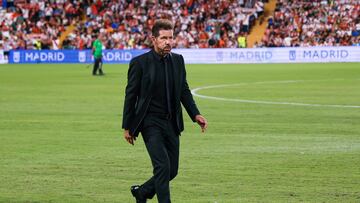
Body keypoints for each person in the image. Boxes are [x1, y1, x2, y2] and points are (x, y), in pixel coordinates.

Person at [122, 19, 208, 203]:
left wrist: (195, 114)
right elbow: (131, 96)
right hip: (149, 123)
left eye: (171, 37)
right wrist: (127, 126)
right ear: (153, 39)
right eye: (163, 38)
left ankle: (143, 192)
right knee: (162, 167)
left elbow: (183, 90)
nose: (168, 42)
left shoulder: (178, 60)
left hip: (172, 122)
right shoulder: (140, 63)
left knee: (172, 170)